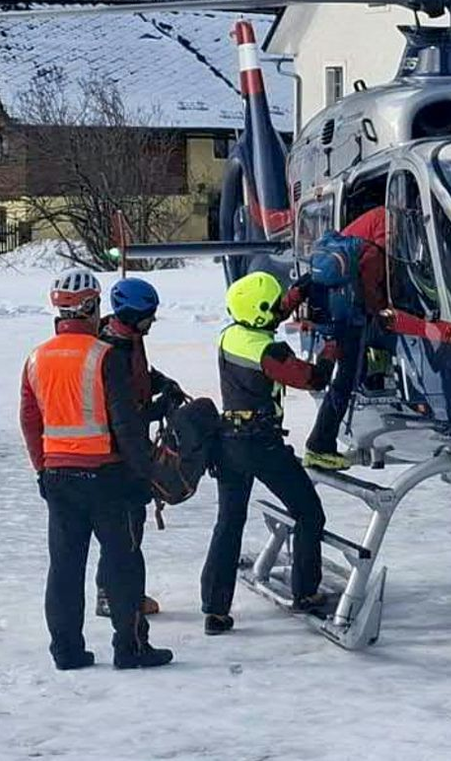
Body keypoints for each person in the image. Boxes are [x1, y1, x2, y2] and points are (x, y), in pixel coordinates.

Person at [20, 268, 174, 670]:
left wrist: (42, 468)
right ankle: (130, 648)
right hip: (107, 477)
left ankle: (67, 651)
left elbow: (30, 420)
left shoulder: (36, 358)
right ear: (90, 307)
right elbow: (124, 424)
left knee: (65, 568)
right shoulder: (103, 356)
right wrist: (145, 475)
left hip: (58, 477)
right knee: (124, 563)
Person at [201, 270, 334, 635]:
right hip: (261, 444)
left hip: (227, 441)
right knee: (308, 513)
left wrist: (294, 296)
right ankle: (305, 592)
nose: (280, 309)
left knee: (229, 522)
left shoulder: (231, 336)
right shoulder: (270, 350)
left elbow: (264, 316)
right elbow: (312, 379)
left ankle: (215, 609)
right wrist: (330, 353)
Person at [94, 277, 185, 621]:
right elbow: (123, 412)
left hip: (130, 444)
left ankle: (123, 592)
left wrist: (162, 384)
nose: (152, 321)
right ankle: (113, 595)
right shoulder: (111, 350)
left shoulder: (129, 339)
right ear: (131, 315)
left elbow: (141, 376)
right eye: (148, 315)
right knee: (125, 526)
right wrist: (158, 410)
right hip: (117, 450)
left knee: (132, 524)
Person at [302, 205, 388, 471]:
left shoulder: (354, 237)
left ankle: (323, 437)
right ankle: (320, 446)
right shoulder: (376, 249)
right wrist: (381, 313)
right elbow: (372, 290)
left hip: (327, 312)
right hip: (348, 320)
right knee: (344, 381)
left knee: (336, 376)